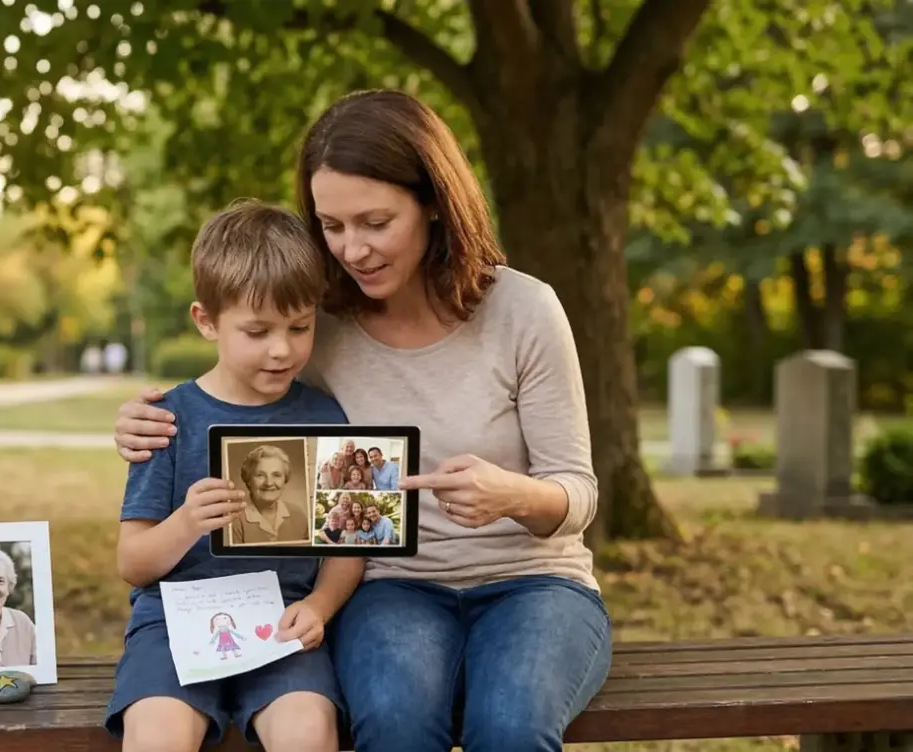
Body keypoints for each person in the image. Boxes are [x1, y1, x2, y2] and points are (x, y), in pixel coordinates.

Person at [111, 89, 609, 752]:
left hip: (535, 583)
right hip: (392, 586)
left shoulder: (524, 311)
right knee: (394, 720)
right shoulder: (316, 324)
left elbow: (576, 493)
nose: (352, 250)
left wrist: (513, 495)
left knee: (509, 725)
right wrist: (141, 422)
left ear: (432, 202)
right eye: (331, 226)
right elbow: (239, 383)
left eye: (375, 222)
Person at [106, 198, 365, 752]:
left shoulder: (325, 417)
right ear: (206, 321)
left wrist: (319, 607)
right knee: (156, 734)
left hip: (283, 624)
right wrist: (185, 522)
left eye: (300, 327)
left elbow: (348, 547)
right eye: (257, 331)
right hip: (173, 623)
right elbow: (133, 563)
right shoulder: (167, 421)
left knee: (307, 730)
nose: (282, 349)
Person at [228, 443, 312, 544]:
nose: (269, 483)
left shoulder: (298, 515)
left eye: (276, 475)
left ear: (285, 479)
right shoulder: (234, 520)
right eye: (260, 475)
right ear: (248, 480)